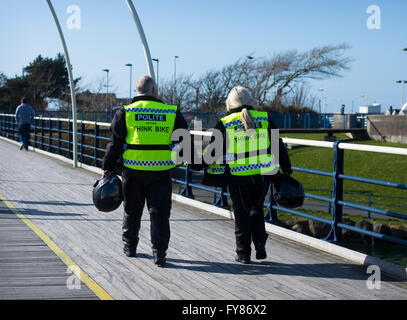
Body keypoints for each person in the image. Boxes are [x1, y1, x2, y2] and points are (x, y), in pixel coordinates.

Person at [198, 86, 292, 264]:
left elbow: (212, 153)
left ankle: (243, 253)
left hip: (238, 176)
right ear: (251, 101)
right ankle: (260, 243)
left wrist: (197, 165)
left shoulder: (225, 122)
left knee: (241, 213)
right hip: (263, 174)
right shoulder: (264, 118)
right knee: (256, 208)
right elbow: (277, 144)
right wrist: (286, 168)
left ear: (228, 103)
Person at [102, 75, 189, 267]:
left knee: (132, 210)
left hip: (133, 171)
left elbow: (114, 143)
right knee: (159, 213)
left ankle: (130, 247)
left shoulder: (125, 112)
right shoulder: (171, 112)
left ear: (137, 92)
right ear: (154, 91)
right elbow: (185, 140)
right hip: (161, 171)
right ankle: (159, 254)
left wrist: (107, 168)